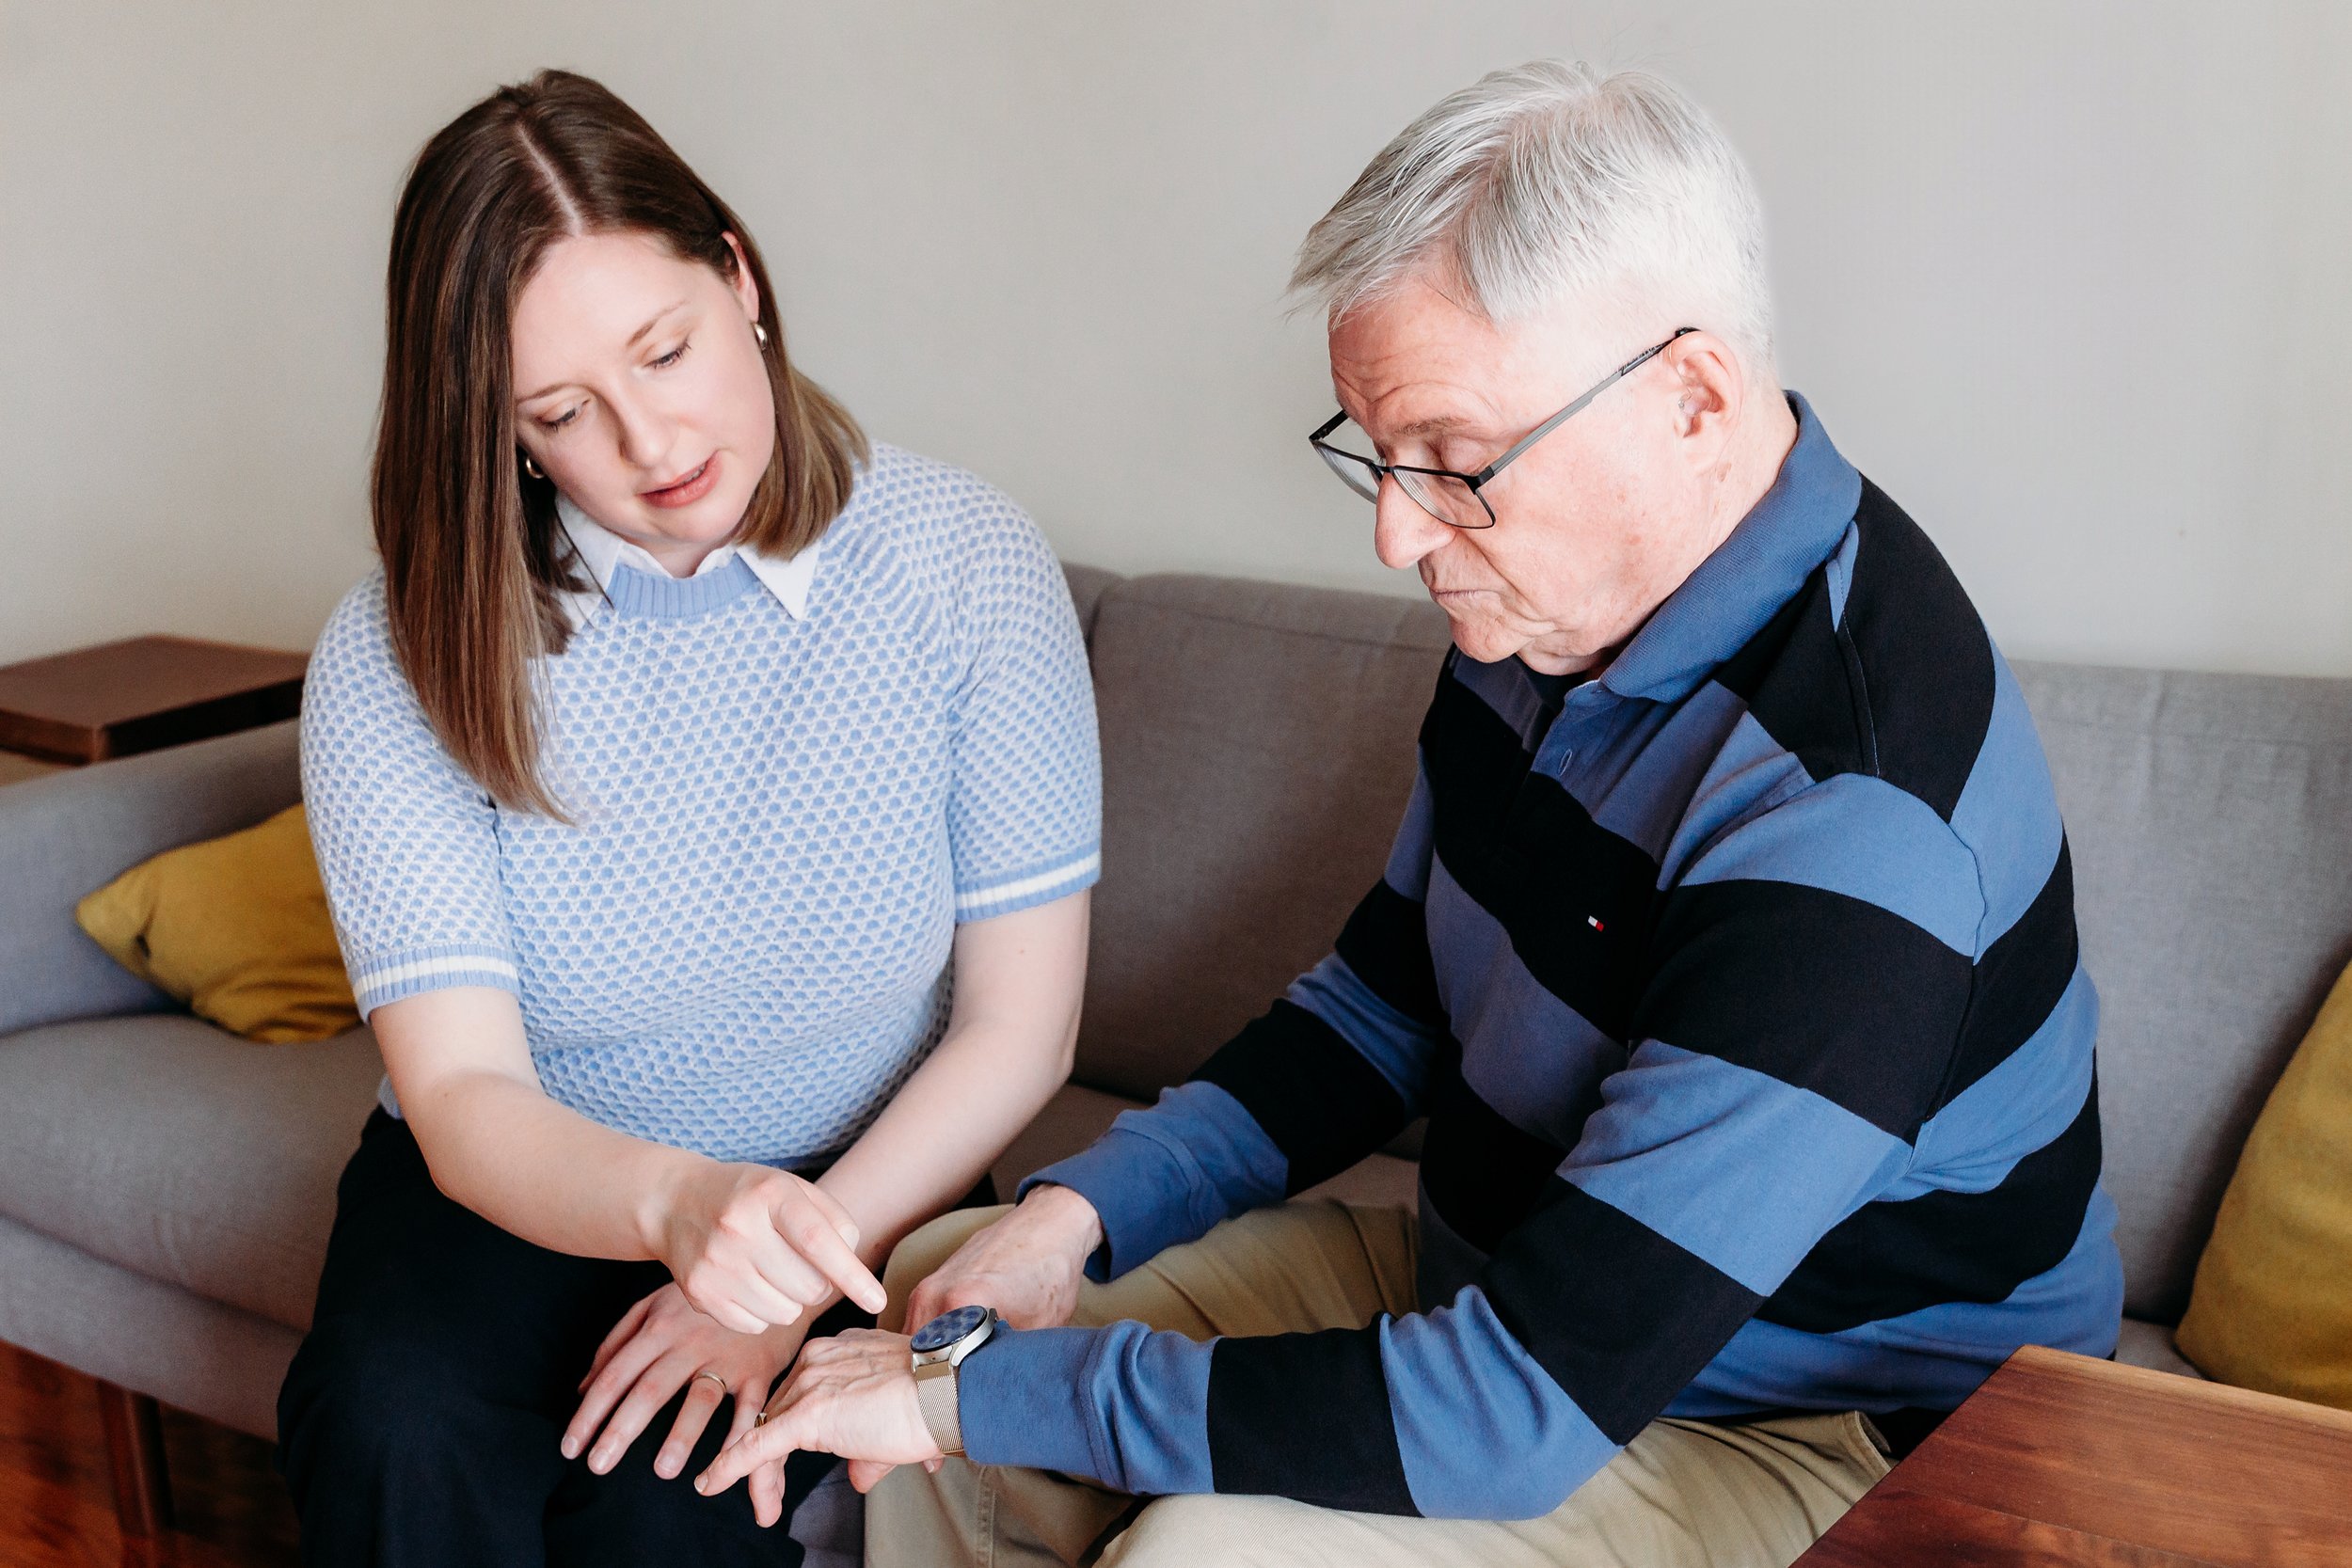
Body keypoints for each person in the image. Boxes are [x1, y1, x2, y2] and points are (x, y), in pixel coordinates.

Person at [696, 59, 2123, 1567]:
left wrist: (975, 1407)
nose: (1395, 532)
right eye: (1377, 457)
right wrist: (1078, 1217)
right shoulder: (1544, 621)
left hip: (1813, 1422)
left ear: (1692, 398)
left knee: (1167, 1531)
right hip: (1504, 1277)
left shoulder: (1857, 826)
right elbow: (1387, 1006)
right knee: (952, 1296)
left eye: (1452, 462)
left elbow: (1511, 1413)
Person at [275, 69, 1100, 1566]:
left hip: (846, 1186)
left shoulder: (962, 562)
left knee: (678, 1519)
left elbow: (1022, 1034)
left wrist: (774, 1277)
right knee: (388, 1433)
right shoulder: (399, 647)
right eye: (565, 413)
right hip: (523, 1179)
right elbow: (463, 1101)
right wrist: (674, 1207)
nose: (654, 443)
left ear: (738, 275)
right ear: (505, 434)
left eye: (667, 350)